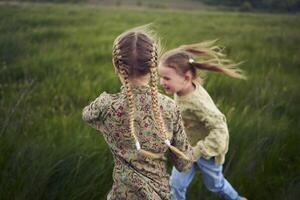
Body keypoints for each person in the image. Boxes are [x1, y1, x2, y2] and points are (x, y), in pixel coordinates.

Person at [82, 25, 193, 200]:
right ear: (154, 65)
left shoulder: (106, 106)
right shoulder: (170, 107)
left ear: (116, 65)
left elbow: (87, 115)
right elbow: (184, 163)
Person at [158, 40, 247, 200]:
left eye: (166, 78)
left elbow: (220, 129)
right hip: (186, 151)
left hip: (207, 153)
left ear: (186, 78)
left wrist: (198, 151)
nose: (161, 82)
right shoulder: (181, 90)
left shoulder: (197, 103)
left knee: (215, 185)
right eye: (161, 77)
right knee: (176, 185)